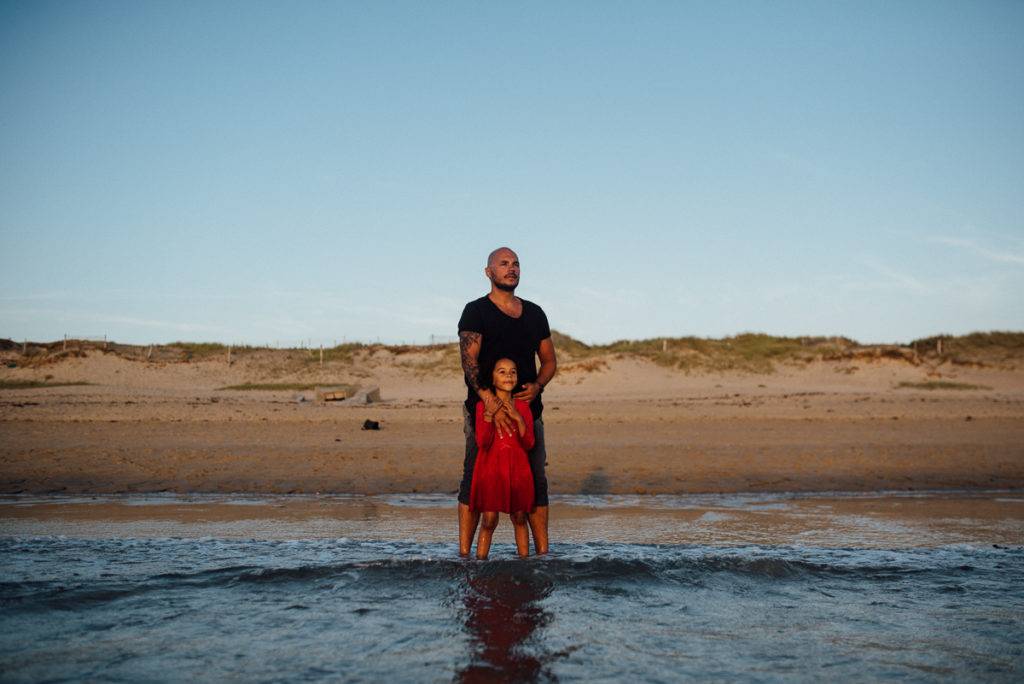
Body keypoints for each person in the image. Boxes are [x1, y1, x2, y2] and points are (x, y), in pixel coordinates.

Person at [458, 246, 557, 557]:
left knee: (536, 482)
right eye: (503, 264)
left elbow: (550, 361)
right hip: (483, 410)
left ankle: (542, 557)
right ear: (489, 272)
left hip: (527, 412)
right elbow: (468, 360)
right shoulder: (476, 311)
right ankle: (464, 556)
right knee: (474, 480)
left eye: (515, 264)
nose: (511, 268)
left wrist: (538, 386)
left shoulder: (535, 313)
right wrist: (488, 400)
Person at [470, 358, 535, 559]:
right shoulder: (482, 407)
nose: (508, 375)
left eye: (513, 372)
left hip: (517, 470)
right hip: (491, 470)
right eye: (502, 371)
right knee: (489, 519)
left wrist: (518, 418)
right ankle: (480, 562)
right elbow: (483, 442)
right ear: (491, 377)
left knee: (520, 516)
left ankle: (524, 562)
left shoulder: (523, 407)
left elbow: (529, 443)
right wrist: (489, 418)